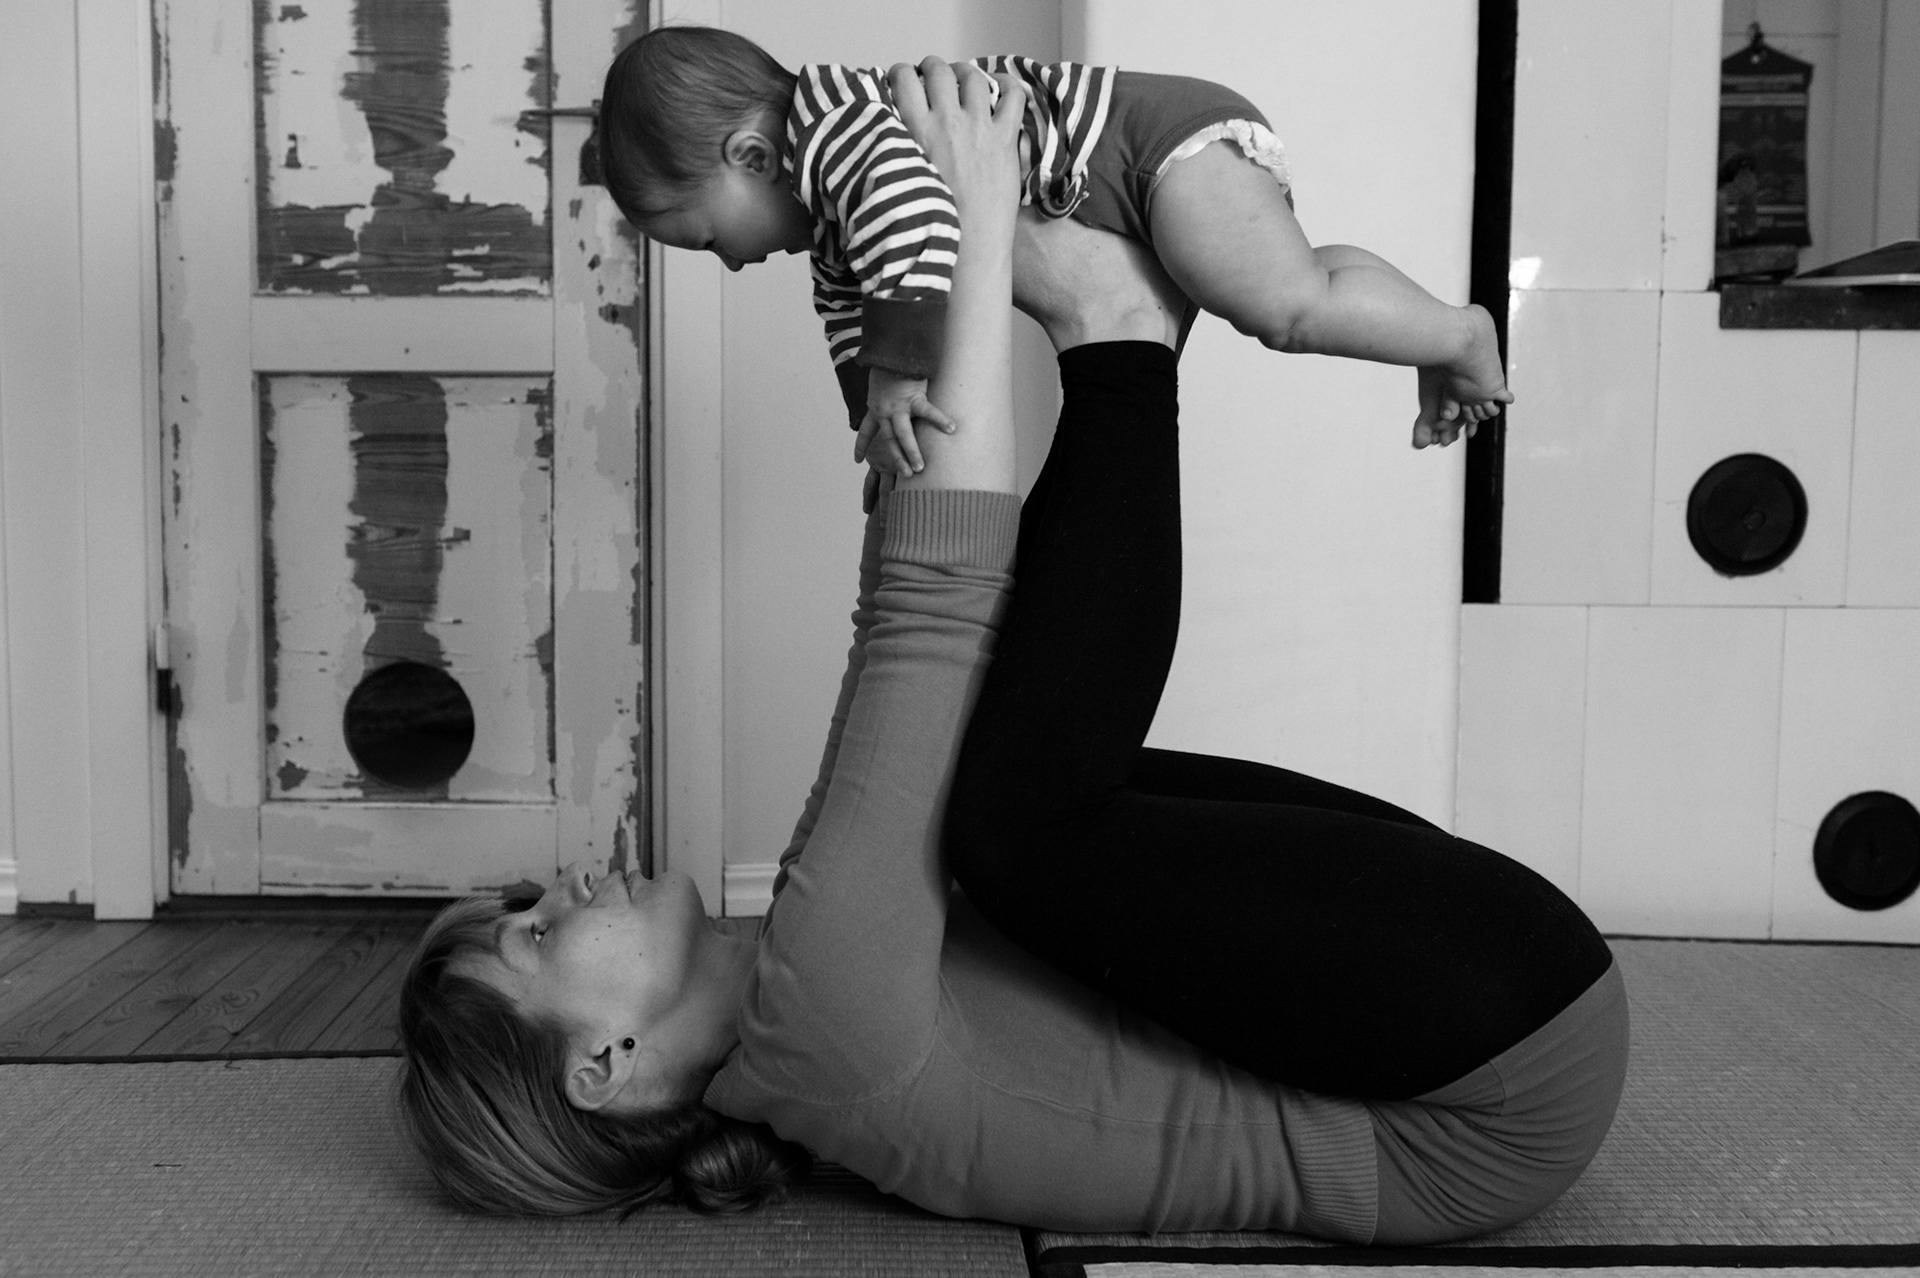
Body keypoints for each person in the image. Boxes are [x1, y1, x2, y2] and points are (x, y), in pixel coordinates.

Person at [398, 62, 1627, 1244]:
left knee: (989, 778)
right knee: (1007, 822)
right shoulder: (820, 1033)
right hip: (1486, 1092)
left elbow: (939, 657)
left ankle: (1120, 328)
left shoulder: (804, 996)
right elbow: (924, 624)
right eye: (538, 938)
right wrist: (980, 217)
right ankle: (1118, 324)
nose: (560, 889)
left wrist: (994, 298)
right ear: (605, 1066)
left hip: (1498, 1012)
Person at [596, 25, 1510, 488]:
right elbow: (850, 316)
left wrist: (900, 381)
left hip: (1149, 149)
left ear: (752, 158)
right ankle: (1433, 330)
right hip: (1142, 167)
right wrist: (880, 427)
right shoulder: (831, 219)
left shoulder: (834, 134)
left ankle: (1460, 334)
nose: (730, 264)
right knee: (1294, 286)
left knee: (1287, 311)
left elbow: (914, 221)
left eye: (707, 240)